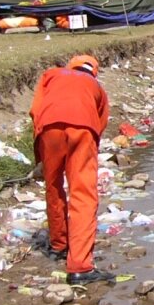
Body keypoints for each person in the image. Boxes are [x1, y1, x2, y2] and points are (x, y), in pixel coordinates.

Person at [29, 54, 115, 285]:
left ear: (71, 66)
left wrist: (39, 154)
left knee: (53, 185)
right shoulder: (96, 87)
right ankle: (80, 266)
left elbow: (36, 110)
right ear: (94, 71)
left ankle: (59, 244)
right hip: (84, 129)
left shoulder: (51, 75)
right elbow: (100, 124)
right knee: (83, 195)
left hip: (49, 128)